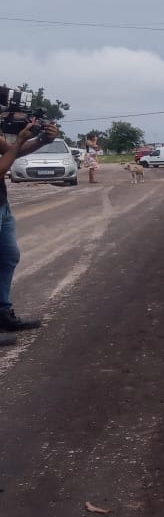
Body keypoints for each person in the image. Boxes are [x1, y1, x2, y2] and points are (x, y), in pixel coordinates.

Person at [0, 116, 57, 345]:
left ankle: (3, 314)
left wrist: (42, 139)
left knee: (8, 257)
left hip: (1, 205)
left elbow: (16, 151)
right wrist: (19, 140)